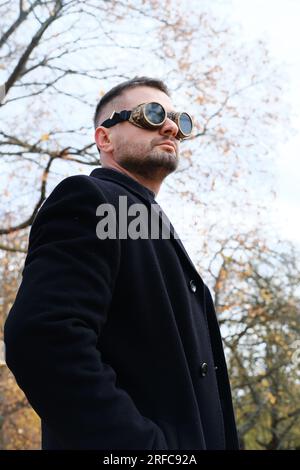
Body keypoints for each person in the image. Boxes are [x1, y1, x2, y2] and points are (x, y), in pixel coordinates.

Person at [4, 76, 239, 450]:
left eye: (181, 120)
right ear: (105, 138)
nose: (171, 126)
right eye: (151, 113)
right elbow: (43, 338)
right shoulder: (95, 200)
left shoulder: (146, 225)